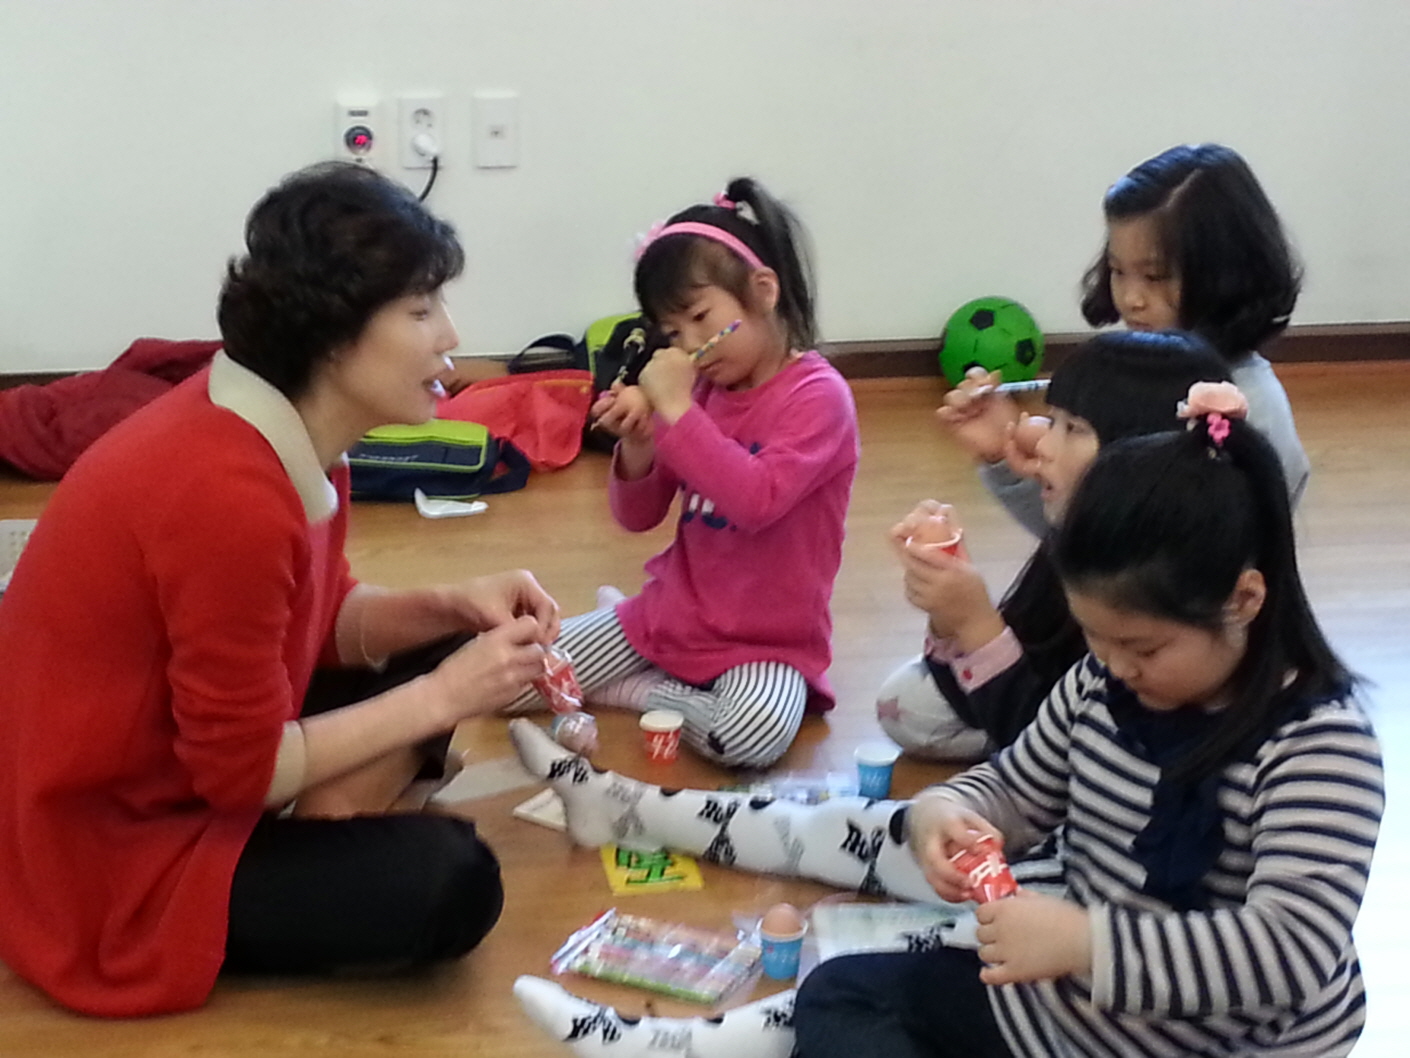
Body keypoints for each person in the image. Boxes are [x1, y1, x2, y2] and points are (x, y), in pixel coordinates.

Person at [512, 382, 1383, 1058]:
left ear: (1244, 600)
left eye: (1143, 647)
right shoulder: (1105, 686)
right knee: (839, 996)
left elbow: (1288, 950)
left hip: (1216, 1042)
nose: (1115, 666)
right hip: (1070, 1015)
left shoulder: (1319, 746)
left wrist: (1083, 941)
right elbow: (1017, 788)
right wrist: (948, 809)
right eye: (1097, 639)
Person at [0, 162, 560, 1017]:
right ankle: (315, 824)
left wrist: (451, 606)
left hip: (183, 753)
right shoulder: (228, 493)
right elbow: (240, 773)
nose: (451, 333)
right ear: (333, 335)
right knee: (454, 882)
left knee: (456, 636)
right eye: (419, 310)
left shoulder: (289, 427)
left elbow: (319, 619)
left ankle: (326, 812)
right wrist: (446, 695)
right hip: (113, 851)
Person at [504, 177, 859, 769]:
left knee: (747, 737)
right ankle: (641, 656)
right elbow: (637, 517)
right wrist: (640, 443)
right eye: (672, 333)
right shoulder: (698, 394)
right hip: (670, 617)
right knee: (507, 679)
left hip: (766, 645)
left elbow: (756, 500)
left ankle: (639, 692)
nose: (691, 346)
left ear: (763, 291)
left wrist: (675, 409)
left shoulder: (819, 397)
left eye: (700, 317)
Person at [876, 329, 1231, 762]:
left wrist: (973, 625)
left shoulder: (1140, 585)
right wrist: (949, 613)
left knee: (918, 709)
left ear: (1141, 452)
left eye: (1073, 428)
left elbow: (1052, 743)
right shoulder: (1089, 534)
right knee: (908, 702)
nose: (1042, 443)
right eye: (1052, 420)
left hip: (1089, 756)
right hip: (1048, 722)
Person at [948, 142, 1311, 538]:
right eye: (1118, 271)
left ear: (1227, 273)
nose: (1131, 299)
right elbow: (1089, 540)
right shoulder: (1137, 376)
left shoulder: (1253, 414)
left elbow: (1134, 563)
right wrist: (1004, 456)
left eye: (1154, 276)